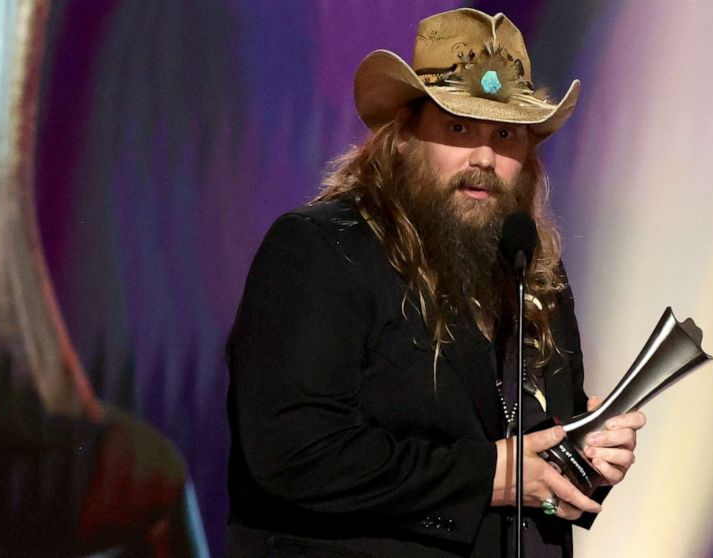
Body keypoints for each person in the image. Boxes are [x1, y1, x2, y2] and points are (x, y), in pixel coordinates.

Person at [226, 8, 646, 557]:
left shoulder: (531, 270)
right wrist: (487, 474)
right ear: (403, 138)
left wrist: (585, 465)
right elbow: (295, 452)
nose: (483, 157)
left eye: (505, 134)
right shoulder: (323, 249)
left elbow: (535, 476)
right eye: (457, 127)